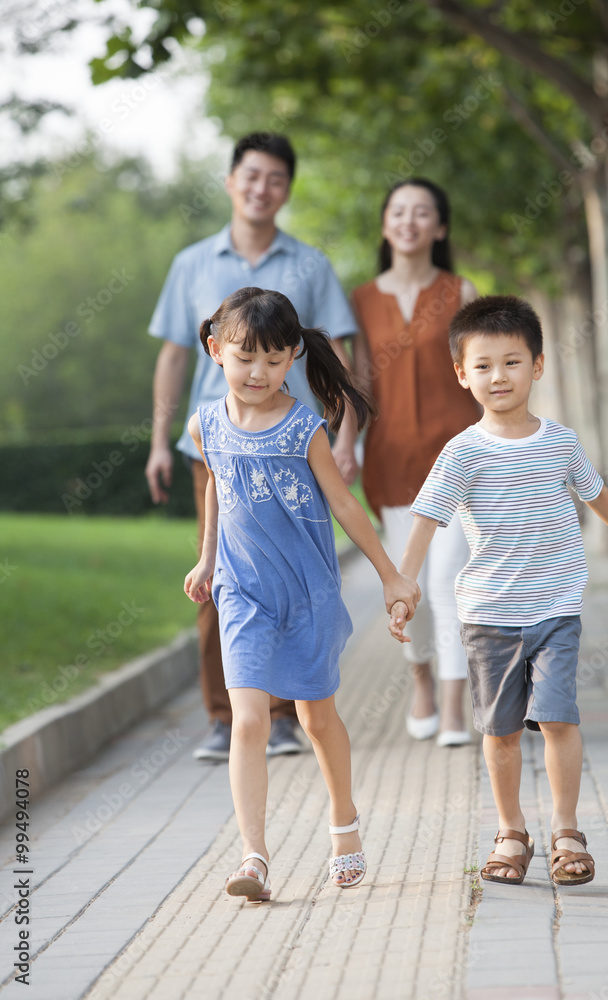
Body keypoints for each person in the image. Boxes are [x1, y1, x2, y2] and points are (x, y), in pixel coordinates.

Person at [390, 294, 608, 886]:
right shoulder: (462, 451)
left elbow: (597, 497)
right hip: (489, 613)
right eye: (483, 365)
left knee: (560, 719)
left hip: (557, 607)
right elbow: (427, 519)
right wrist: (403, 582)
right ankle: (511, 830)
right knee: (501, 730)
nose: (499, 376)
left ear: (538, 366)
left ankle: (567, 830)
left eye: (512, 362)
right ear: (462, 374)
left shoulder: (560, 442)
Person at [183, 287, 420, 901]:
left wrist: (391, 574)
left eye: (272, 359)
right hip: (241, 594)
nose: (256, 372)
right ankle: (254, 855)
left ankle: (344, 825)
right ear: (216, 351)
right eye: (243, 357)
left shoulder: (302, 427)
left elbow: (344, 504)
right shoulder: (205, 423)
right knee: (249, 720)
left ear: (292, 357)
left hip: (307, 593)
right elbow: (215, 487)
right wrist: (208, 559)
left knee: (317, 718)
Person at [146, 133, 359, 762]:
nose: (261, 187)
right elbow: (172, 355)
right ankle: (225, 715)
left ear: (287, 189)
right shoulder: (191, 263)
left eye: (274, 179)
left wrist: (348, 435)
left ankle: (287, 712)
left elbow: (335, 352)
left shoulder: (312, 265)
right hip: (216, 450)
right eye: (251, 175)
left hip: (293, 449)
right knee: (219, 575)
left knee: (293, 574)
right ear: (231, 181)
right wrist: (161, 439)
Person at [351, 179, 479, 747]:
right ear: (385, 224)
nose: (409, 221)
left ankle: (454, 703)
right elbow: (354, 384)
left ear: (440, 227)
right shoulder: (359, 301)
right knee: (410, 583)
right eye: (398, 211)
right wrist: (343, 446)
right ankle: (421, 679)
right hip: (391, 464)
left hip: (458, 461)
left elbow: (484, 373)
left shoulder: (461, 292)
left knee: (449, 580)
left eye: (422, 212)